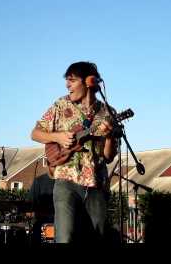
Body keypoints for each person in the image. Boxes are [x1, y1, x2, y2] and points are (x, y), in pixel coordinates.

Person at [31, 61, 117, 243]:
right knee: (64, 237)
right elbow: (35, 133)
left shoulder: (107, 113)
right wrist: (59, 137)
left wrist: (109, 137)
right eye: (66, 81)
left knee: (97, 238)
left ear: (89, 81)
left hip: (96, 184)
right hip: (66, 182)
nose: (67, 85)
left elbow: (109, 157)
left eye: (72, 80)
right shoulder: (60, 105)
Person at [27, 171, 55, 245]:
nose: (56, 168)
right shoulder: (39, 181)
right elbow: (28, 209)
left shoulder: (64, 182)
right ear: (48, 165)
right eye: (53, 166)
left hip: (62, 226)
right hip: (45, 225)